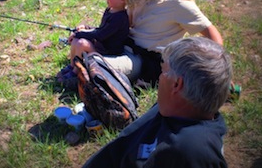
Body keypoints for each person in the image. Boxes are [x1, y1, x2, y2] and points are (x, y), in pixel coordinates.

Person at [83, 36, 232, 168]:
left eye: (163, 71)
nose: (160, 77)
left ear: (176, 85)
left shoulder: (192, 152)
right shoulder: (170, 109)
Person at [104, 0, 223, 87]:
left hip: (142, 60)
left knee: (96, 66)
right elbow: (126, 24)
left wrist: (219, 71)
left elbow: (211, 33)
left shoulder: (178, 2)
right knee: (82, 46)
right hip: (122, 46)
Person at [57, 0, 139, 83]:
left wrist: (79, 34)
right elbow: (102, 29)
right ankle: (72, 65)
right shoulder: (110, 10)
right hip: (101, 47)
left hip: (109, 53)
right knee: (77, 41)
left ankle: (76, 72)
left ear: (122, 0)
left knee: (82, 43)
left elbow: (101, 34)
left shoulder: (120, 17)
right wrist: (84, 29)